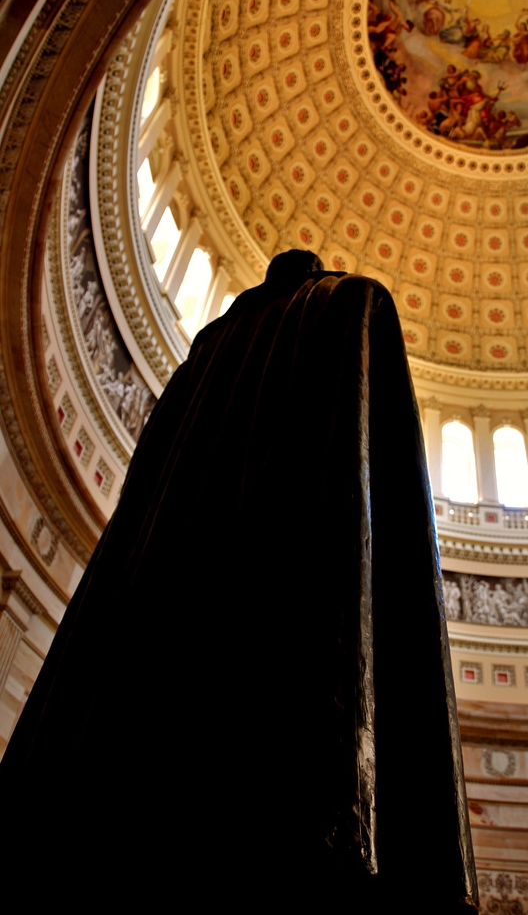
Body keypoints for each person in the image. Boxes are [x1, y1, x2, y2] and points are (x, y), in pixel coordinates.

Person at [1, 250, 477, 906]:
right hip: (281, 628)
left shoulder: (203, 356)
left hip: (154, 639)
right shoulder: (351, 304)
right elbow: (374, 487)